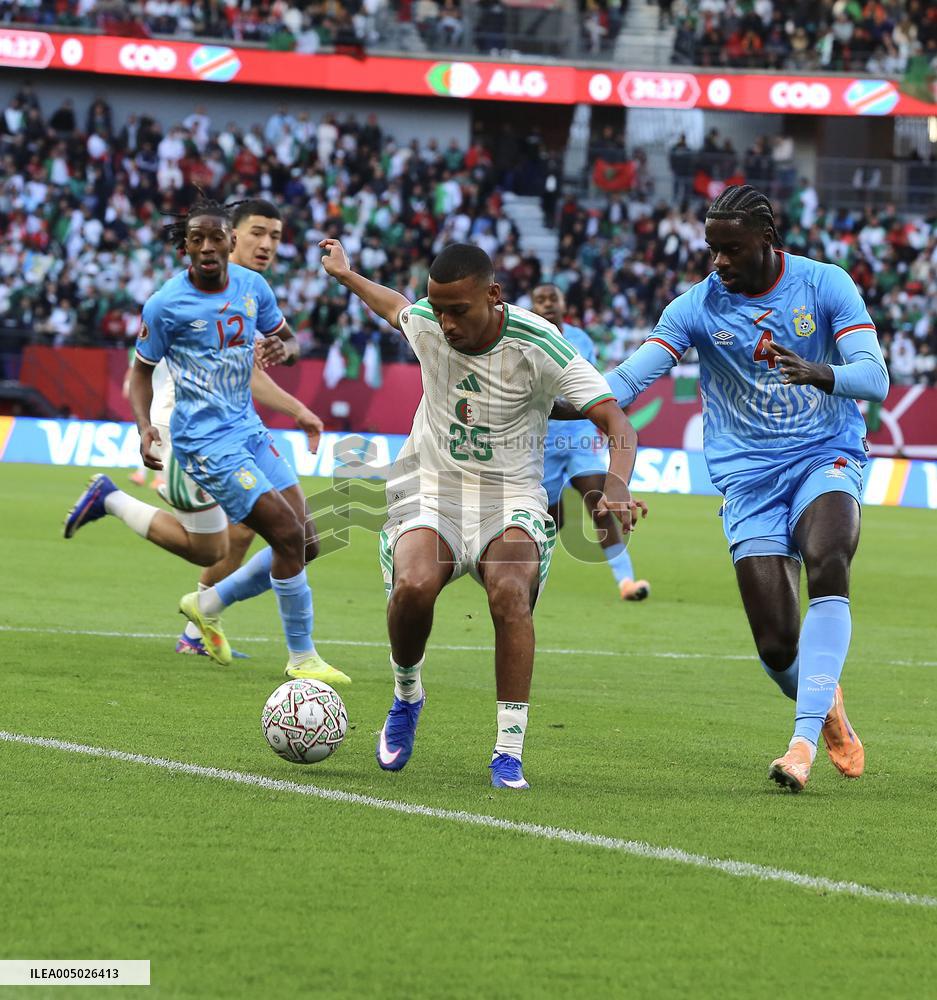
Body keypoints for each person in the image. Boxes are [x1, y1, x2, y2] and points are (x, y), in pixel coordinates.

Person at [320, 239, 644, 790]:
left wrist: (615, 484)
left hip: (511, 494)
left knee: (510, 594)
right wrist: (347, 276)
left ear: (493, 295)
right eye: (438, 309)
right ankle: (407, 695)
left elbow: (617, 422)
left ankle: (508, 752)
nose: (444, 323)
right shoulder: (426, 321)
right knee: (415, 586)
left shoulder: (541, 343)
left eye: (457, 310)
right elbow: (395, 304)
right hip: (430, 484)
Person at [604, 185, 888, 793]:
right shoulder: (696, 307)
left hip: (825, 455)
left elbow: (875, 378)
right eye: (712, 250)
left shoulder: (824, 284)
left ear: (767, 239)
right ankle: (827, 706)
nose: (719, 263)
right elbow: (627, 382)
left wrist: (822, 372)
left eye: (731, 250)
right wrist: (560, 401)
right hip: (748, 477)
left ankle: (803, 740)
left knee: (828, 557)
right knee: (777, 643)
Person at [64, 195, 348, 686]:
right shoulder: (166, 304)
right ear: (187, 247)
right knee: (257, 539)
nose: (211, 246)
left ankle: (206, 602)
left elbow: (285, 342)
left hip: (248, 432)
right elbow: (139, 373)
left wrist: (287, 348)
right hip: (197, 443)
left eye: (219, 237)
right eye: (199, 239)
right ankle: (301, 657)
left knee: (302, 542)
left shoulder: (252, 288)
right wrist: (144, 427)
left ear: (227, 241)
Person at [531, 283, 649, 602]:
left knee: (599, 502)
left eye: (552, 298)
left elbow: (592, 384)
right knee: (551, 519)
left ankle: (626, 580)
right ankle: (528, 580)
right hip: (544, 442)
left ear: (563, 301)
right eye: (539, 300)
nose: (547, 304)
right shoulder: (526, 339)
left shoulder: (580, 339)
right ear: (532, 306)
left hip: (580, 436)